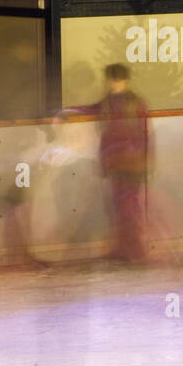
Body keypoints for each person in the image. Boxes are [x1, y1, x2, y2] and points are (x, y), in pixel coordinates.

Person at [56, 63, 152, 262]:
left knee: (129, 208)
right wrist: (68, 110)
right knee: (117, 207)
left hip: (130, 163)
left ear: (125, 81)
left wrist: (146, 159)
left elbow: (144, 133)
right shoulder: (108, 103)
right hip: (114, 162)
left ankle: (136, 251)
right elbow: (91, 108)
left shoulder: (135, 103)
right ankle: (123, 248)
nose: (113, 84)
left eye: (116, 80)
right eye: (111, 80)